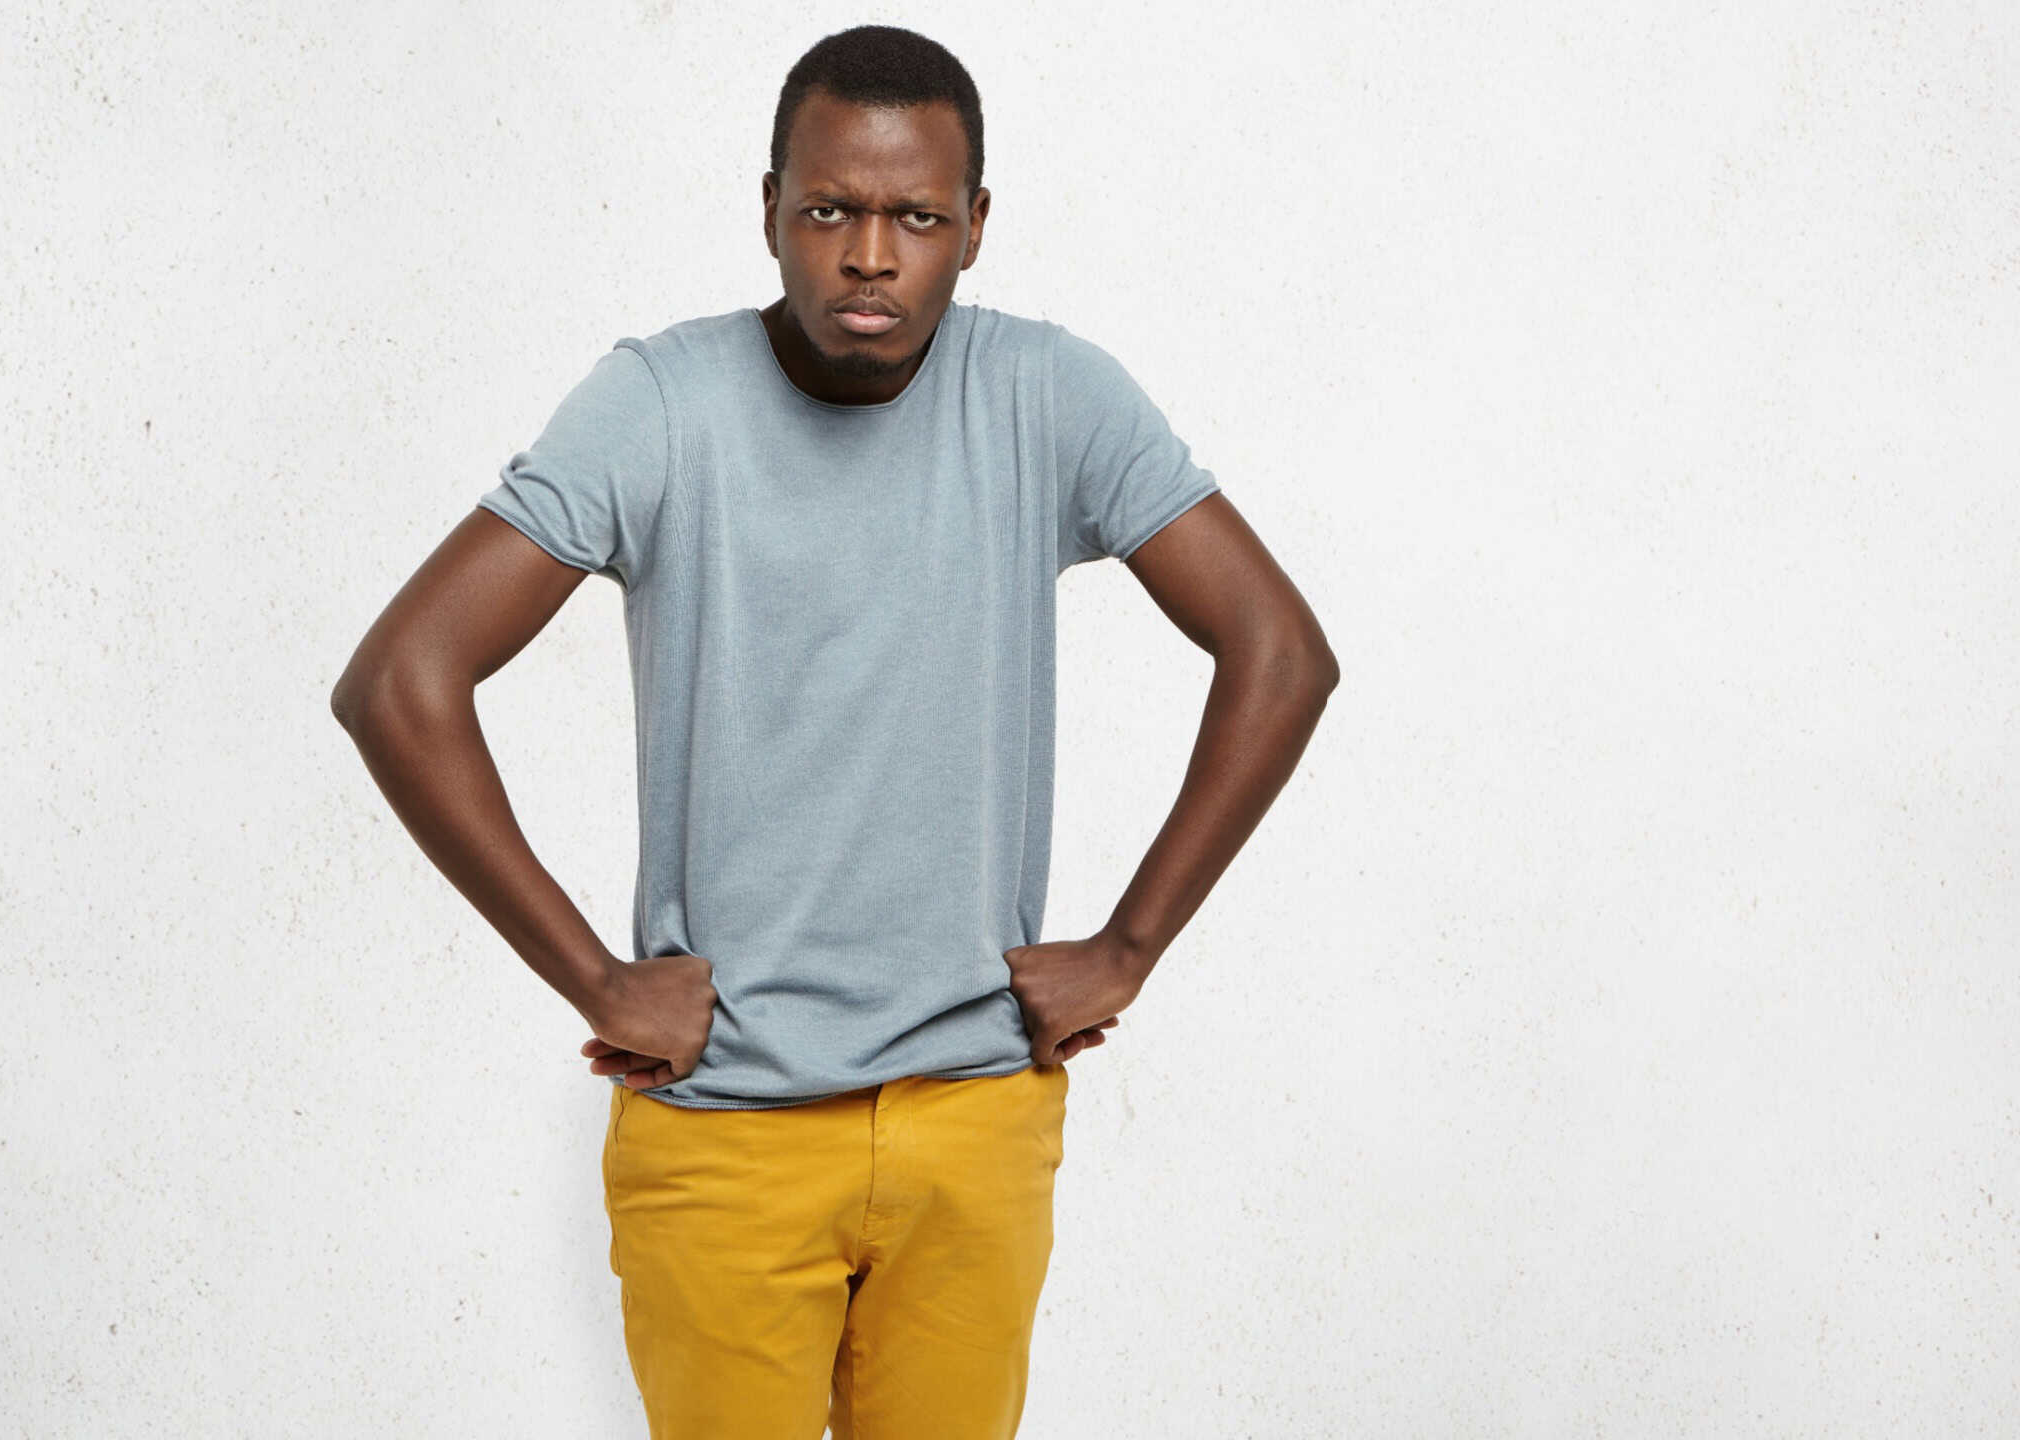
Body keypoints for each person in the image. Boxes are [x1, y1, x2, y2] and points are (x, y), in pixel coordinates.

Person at [331, 24, 1337, 1438]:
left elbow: (1281, 653)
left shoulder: (1048, 394)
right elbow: (401, 680)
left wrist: (1128, 949)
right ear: (769, 211)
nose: (870, 256)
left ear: (974, 225)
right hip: (727, 1130)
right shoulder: (660, 406)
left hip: (972, 1117)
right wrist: (597, 981)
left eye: (915, 217)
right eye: (829, 211)